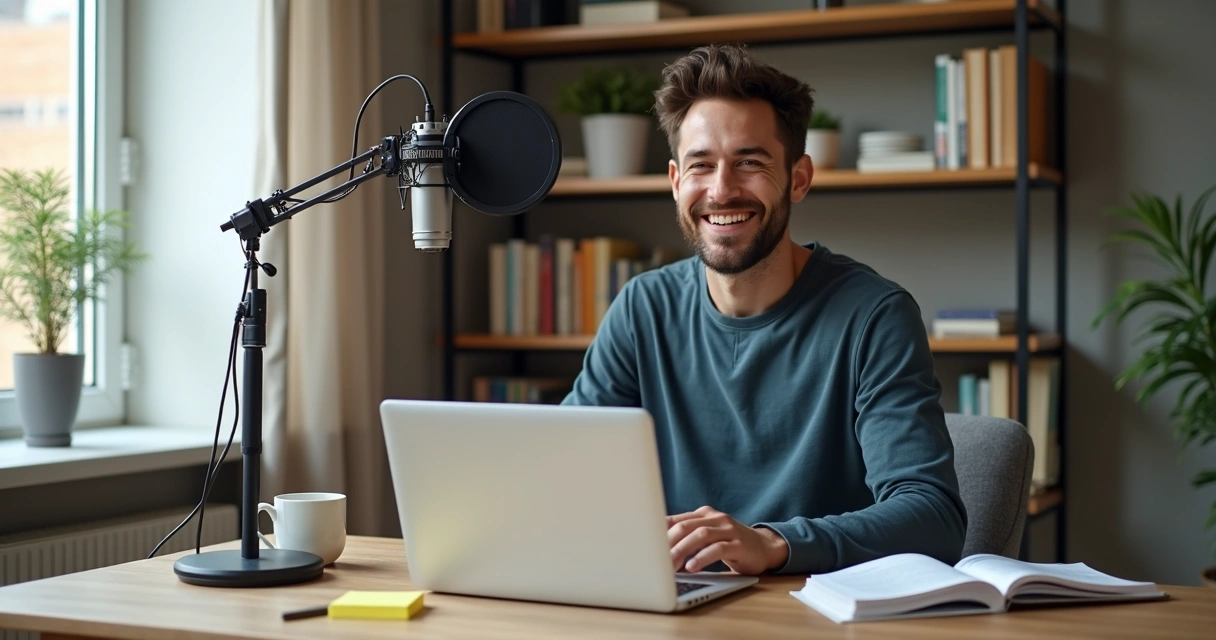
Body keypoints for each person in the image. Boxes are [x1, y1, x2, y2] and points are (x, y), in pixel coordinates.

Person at [560, 43, 967, 576]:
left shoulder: (874, 316)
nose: (721, 190)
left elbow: (933, 517)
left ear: (798, 179)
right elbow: (564, 471)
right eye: (701, 165)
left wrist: (773, 543)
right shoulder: (642, 308)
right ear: (676, 182)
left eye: (749, 163)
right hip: (671, 598)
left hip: (811, 605)